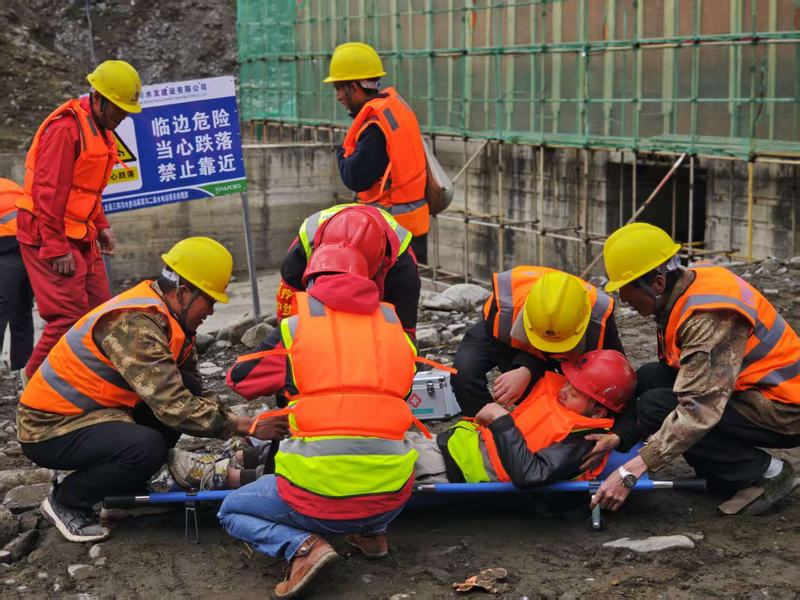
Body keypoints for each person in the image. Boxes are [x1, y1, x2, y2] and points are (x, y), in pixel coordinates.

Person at [16, 237, 289, 543]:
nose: (211, 311)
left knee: (186, 388)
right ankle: (68, 500)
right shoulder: (135, 324)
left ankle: (123, 489)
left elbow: (190, 391)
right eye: (209, 301)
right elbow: (174, 406)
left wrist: (241, 424)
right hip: (50, 427)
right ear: (183, 292)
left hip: (95, 413)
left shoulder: (172, 320)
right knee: (145, 447)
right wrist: (246, 425)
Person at [221, 241, 420, 599]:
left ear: (311, 282)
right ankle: (371, 535)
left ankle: (303, 547)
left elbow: (239, 379)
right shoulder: (396, 331)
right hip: (391, 499)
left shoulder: (297, 329)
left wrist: (293, 370)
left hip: (318, 499)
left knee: (230, 511)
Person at [592, 222, 800, 516]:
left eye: (626, 288)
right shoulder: (690, 284)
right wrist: (619, 437)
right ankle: (724, 472)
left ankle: (767, 472)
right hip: (754, 389)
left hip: (784, 408)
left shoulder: (708, 318)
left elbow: (698, 410)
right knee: (650, 377)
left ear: (657, 284)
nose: (623, 298)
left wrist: (631, 470)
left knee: (659, 407)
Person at [16, 60, 141, 381]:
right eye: (119, 108)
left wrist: (101, 225)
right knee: (66, 317)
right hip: (48, 233)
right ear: (98, 98)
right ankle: (34, 383)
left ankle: (86, 380)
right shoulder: (66, 129)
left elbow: (86, 188)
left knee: (100, 312)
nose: (123, 116)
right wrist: (56, 247)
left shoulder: (101, 129)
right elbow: (48, 192)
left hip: (80, 232)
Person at [413, 350, 637, 487]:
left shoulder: (585, 441)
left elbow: (531, 475)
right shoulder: (566, 403)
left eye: (575, 393)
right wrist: (525, 370)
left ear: (598, 412)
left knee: (393, 461)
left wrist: (500, 420)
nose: (564, 391)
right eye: (568, 382)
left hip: (451, 468)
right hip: (450, 445)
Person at [452, 267, 624, 417]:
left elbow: (618, 380)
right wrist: (521, 371)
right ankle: (484, 424)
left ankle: (560, 424)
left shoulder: (599, 319)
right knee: (464, 373)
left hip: (564, 351)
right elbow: (502, 352)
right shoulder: (504, 307)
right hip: (505, 342)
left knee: (569, 397)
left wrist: (528, 369)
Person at [324, 42, 430, 264]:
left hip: (391, 232)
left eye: (338, 88)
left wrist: (342, 153)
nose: (338, 97)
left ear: (354, 87)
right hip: (413, 225)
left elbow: (355, 178)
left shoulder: (374, 127)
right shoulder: (396, 109)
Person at [276, 202, 421, 337]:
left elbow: (405, 331)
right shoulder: (303, 247)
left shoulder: (402, 268)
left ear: (379, 265)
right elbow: (287, 315)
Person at [0, 178, 34, 376]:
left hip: (6, 249)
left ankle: (21, 366)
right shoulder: (10, 185)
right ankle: (22, 366)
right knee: (22, 310)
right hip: (27, 247)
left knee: (3, 308)